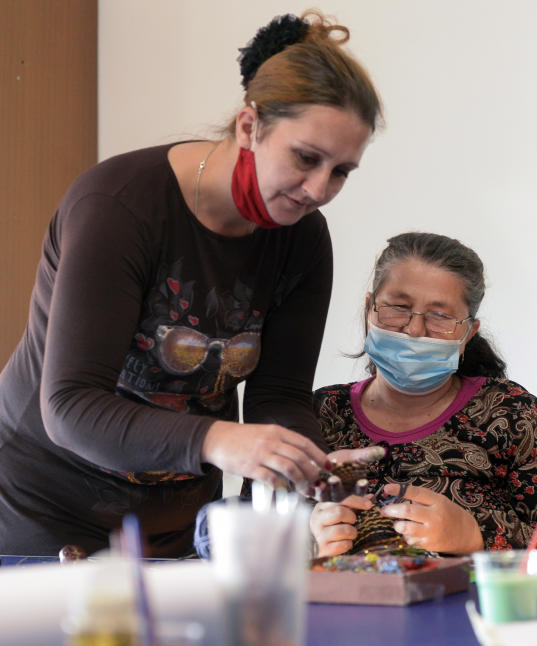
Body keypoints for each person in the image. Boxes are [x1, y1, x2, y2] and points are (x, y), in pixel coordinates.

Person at [0, 10, 382, 557]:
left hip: (180, 526)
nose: (319, 188)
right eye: (306, 158)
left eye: (341, 171)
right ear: (249, 127)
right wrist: (219, 439)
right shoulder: (119, 209)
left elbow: (280, 395)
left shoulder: (301, 238)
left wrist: (306, 468)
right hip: (42, 517)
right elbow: (69, 406)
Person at [310, 232, 537, 556]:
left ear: (468, 333)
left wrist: (478, 536)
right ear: (369, 309)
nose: (414, 330)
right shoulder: (319, 415)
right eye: (398, 307)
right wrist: (310, 544)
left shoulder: (511, 414)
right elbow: (253, 533)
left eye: (440, 316)